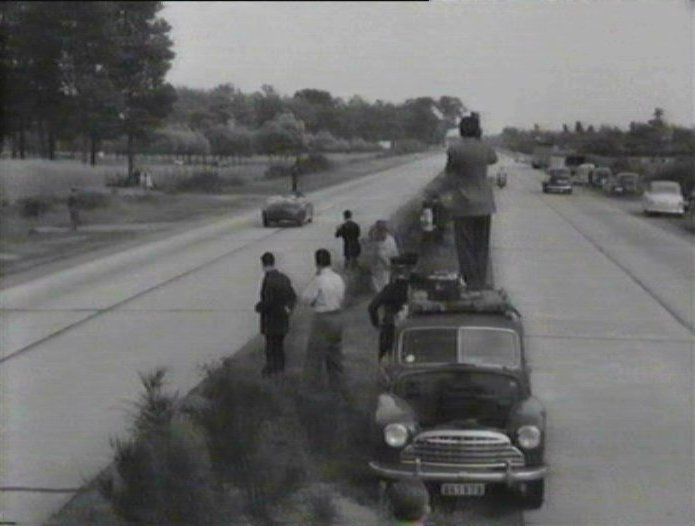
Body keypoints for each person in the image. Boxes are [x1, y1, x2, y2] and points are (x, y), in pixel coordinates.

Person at [439, 112, 498, 289]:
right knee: (482, 245)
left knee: (465, 246)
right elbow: (493, 159)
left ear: (460, 130)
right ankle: (480, 282)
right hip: (484, 205)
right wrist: (479, 139)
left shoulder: (455, 149)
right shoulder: (485, 147)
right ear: (478, 130)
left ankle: (470, 282)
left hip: (463, 204)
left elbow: (449, 173)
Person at [301, 249, 347, 398]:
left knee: (314, 355)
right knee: (335, 354)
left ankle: (312, 389)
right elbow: (341, 296)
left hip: (322, 318)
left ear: (317, 263)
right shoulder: (338, 278)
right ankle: (337, 388)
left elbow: (306, 298)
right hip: (337, 317)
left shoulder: (319, 280)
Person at [254, 252, 297, 377]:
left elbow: (268, 302)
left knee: (270, 348)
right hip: (283, 319)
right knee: (279, 347)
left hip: (271, 321)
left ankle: (271, 372)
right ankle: (280, 371)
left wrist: (259, 307)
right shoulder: (283, 278)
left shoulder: (268, 280)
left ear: (263, 264)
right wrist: (289, 309)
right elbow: (293, 296)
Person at [368, 258, 410, 360]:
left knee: (387, 358)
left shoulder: (390, 289)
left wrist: (377, 323)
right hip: (413, 329)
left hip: (390, 328)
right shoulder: (416, 286)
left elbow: (372, 307)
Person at [368, 220, 399, 292]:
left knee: (385, 287)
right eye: (379, 230)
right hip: (376, 270)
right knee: (378, 289)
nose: (381, 232)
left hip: (386, 270)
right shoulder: (374, 240)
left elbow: (395, 253)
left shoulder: (390, 240)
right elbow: (372, 256)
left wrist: (391, 264)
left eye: (383, 230)